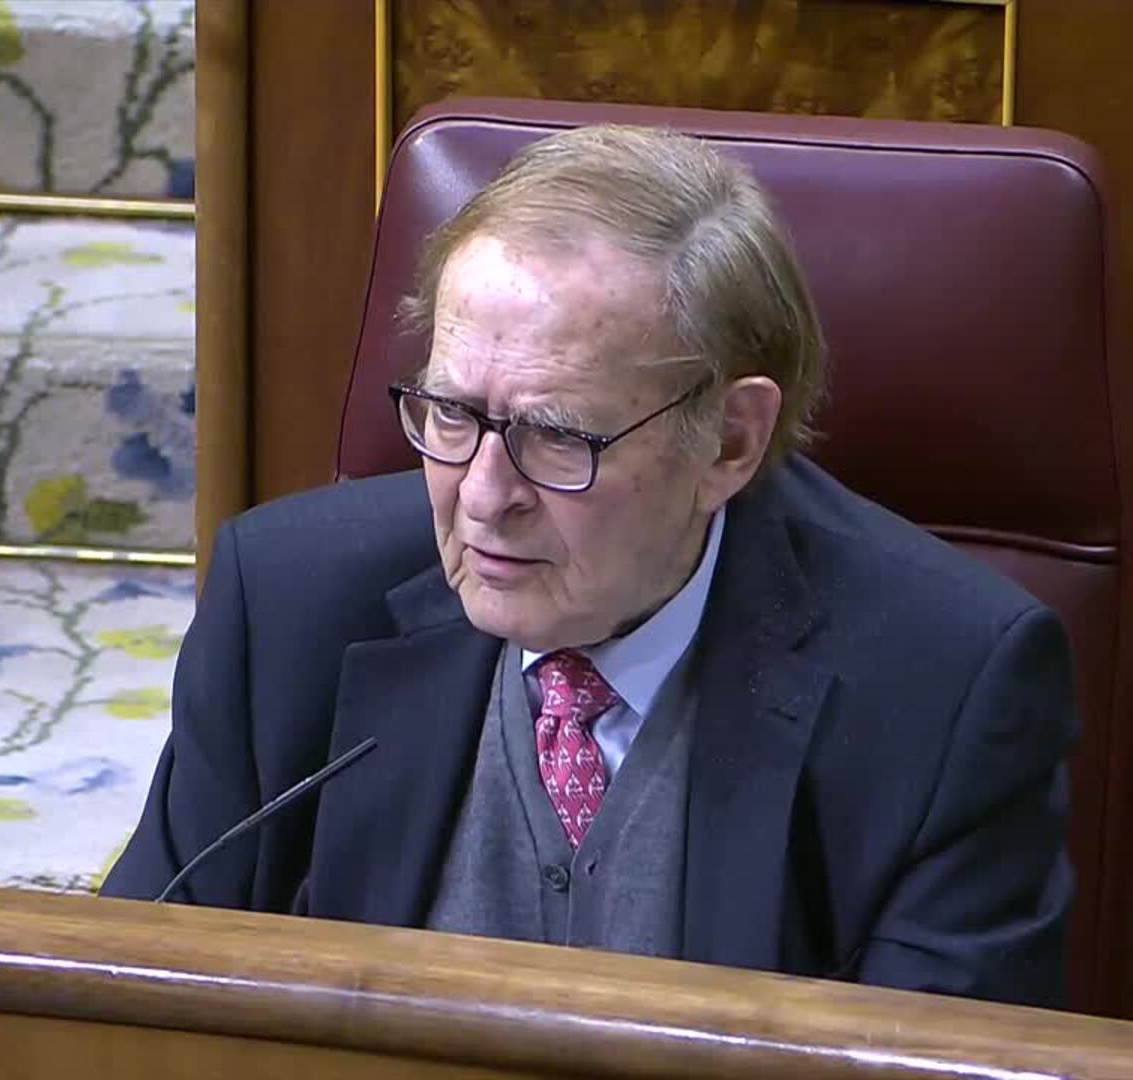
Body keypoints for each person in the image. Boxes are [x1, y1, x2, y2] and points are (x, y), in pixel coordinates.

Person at [101, 123, 1076, 1007]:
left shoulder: (946, 689)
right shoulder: (286, 605)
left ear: (730, 441)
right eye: (452, 414)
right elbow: (132, 1006)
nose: (484, 495)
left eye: (558, 436)